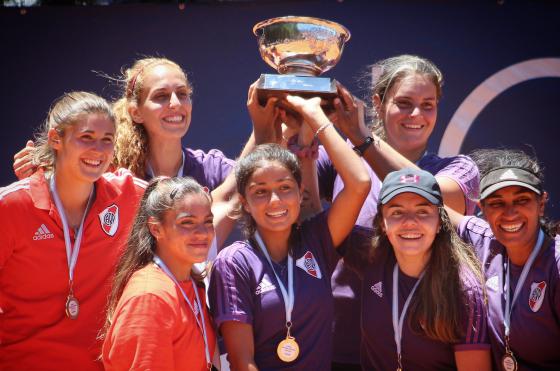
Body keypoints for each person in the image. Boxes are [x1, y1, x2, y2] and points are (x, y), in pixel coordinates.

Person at [318, 55, 480, 369]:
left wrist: (362, 138)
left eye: (428, 104)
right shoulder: (344, 159)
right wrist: (295, 124)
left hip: (425, 349)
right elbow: (290, 193)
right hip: (340, 345)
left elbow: (432, 193)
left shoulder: (459, 169)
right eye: (404, 103)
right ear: (378, 103)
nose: (416, 114)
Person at [208, 94, 371, 370]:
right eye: (260, 192)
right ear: (244, 202)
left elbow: (359, 182)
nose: (275, 201)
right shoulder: (234, 263)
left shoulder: (317, 239)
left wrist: (314, 116)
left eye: (285, 188)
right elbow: (241, 361)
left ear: (300, 193)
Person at [0, 92, 146, 370]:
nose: (99, 150)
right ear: (56, 139)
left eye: (107, 140)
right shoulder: (11, 206)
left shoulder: (126, 194)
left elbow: (181, 202)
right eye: (86, 137)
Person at [344, 168, 490, 370]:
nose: (410, 222)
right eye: (397, 212)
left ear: (440, 222)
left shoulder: (463, 290)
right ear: (383, 223)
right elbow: (313, 225)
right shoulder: (370, 253)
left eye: (423, 211)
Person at [450, 149, 560, 370]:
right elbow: (421, 196)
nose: (510, 213)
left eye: (522, 200)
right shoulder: (484, 240)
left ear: (541, 204)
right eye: (497, 203)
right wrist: (364, 141)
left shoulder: (556, 264)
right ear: (482, 209)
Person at [101, 176, 221, 370]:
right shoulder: (149, 298)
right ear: (156, 228)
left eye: (208, 222)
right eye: (187, 223)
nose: (203, 232)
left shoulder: (189, 281)